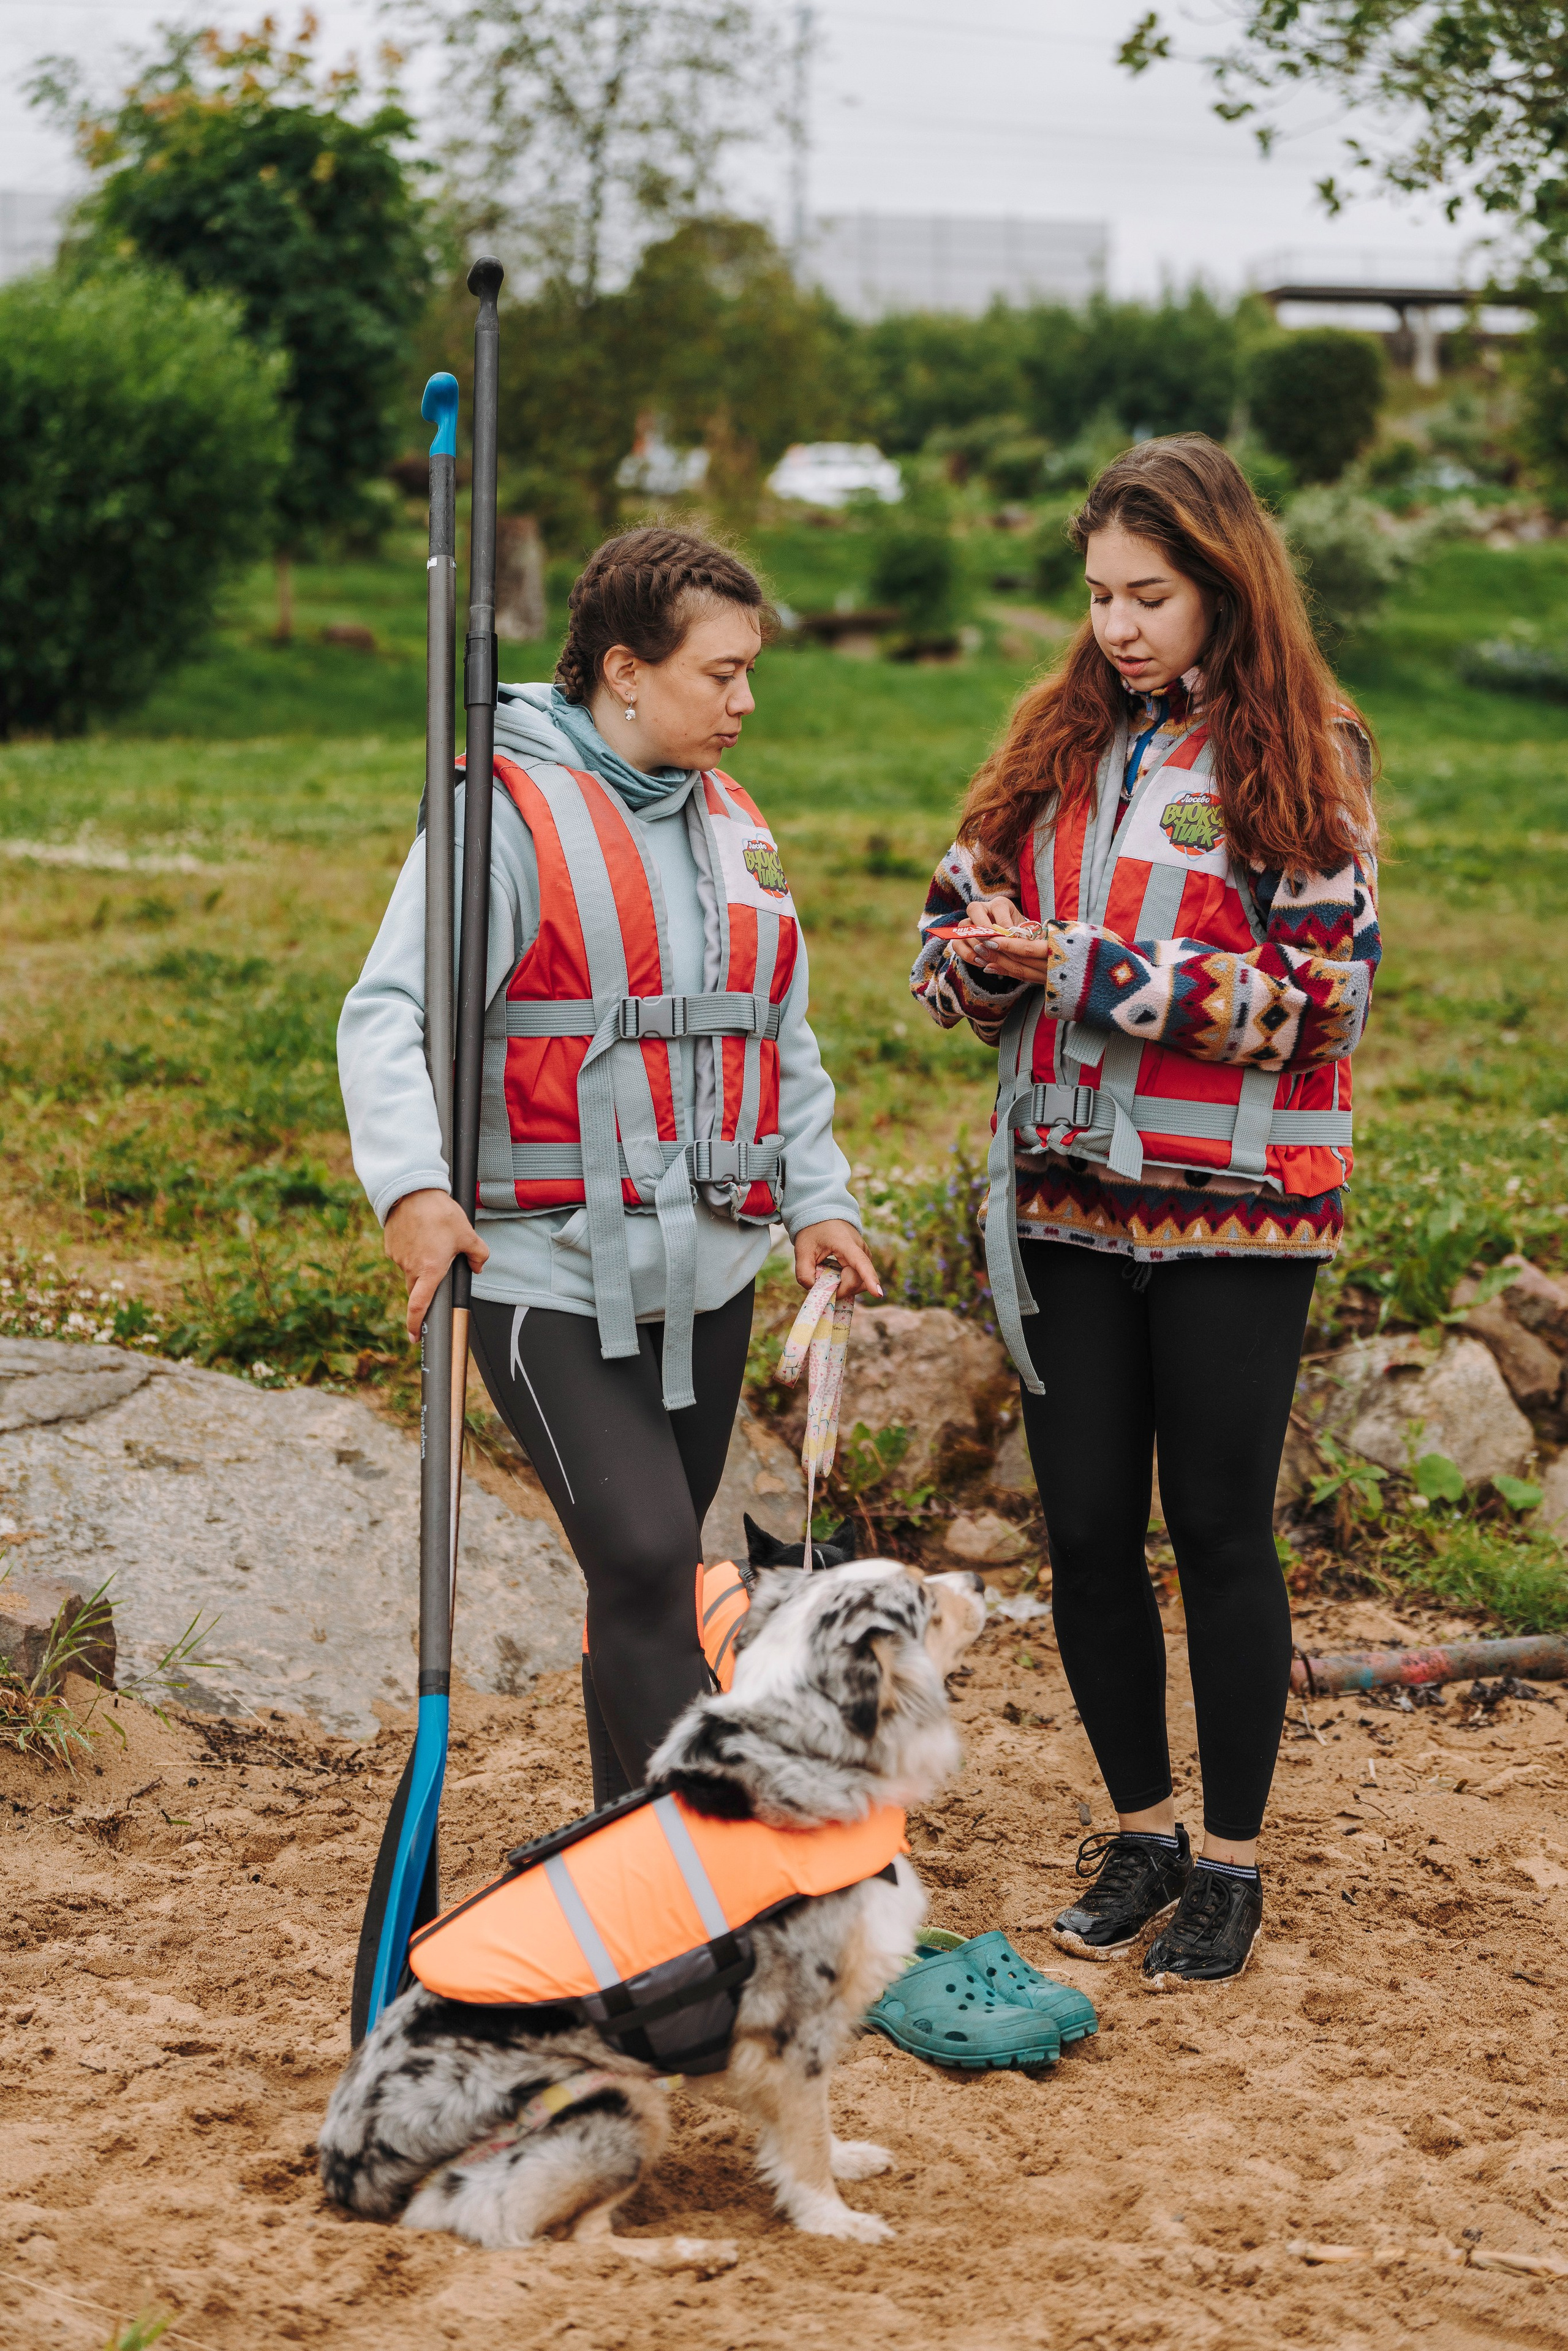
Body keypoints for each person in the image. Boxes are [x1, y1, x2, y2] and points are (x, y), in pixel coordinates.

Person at [911, 437, 1379, 1988]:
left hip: (1236, 1214)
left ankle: (1233, 1863)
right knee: (1090, 1534)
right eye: (1099, 594)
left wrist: (1088, 971)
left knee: (1221, 1532)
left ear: (1223, 586)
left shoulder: (1307, 749)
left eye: (1149, 596)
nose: (1117, 627)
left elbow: (1321, 1004)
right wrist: (975, 963)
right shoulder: (1055, 744)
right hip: (1060, 1205)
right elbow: (942, 940)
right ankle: (1142, 1831)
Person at [339, 526, 878, 1808]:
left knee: (649, 1579)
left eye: (752, 673)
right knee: (643, 1559)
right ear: (625, 671)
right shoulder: (502, 820)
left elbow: (775, 1030)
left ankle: (622, 1839)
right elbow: (385, 1012)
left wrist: (818, 1198)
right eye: (721, 673)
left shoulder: (730, 821)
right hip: (545, 1270)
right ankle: (693, 1859)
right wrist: (415, 1189)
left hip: (708, 1276)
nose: (745, 702)